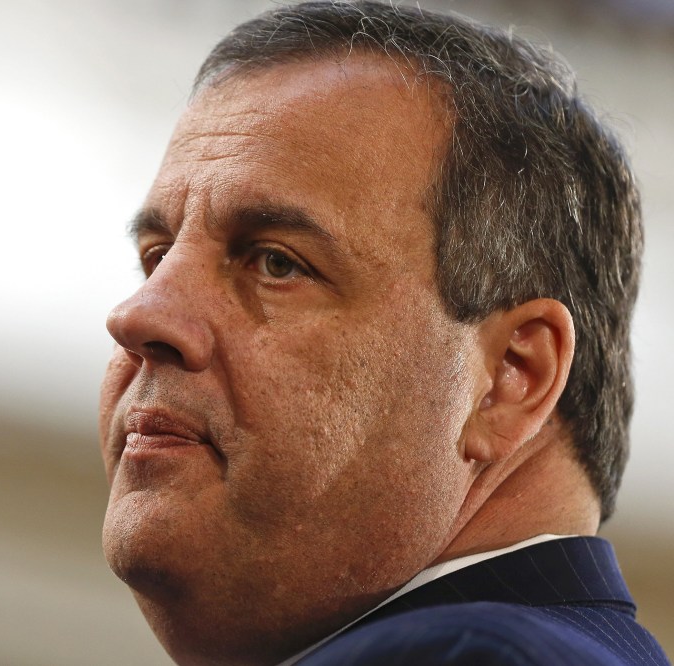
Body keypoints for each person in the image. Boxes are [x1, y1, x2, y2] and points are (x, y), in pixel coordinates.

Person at [96, 2, 670, 664]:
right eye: (157, 256)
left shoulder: (467, 656)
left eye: (277, 263)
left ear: (512, 378)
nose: (138, 316)